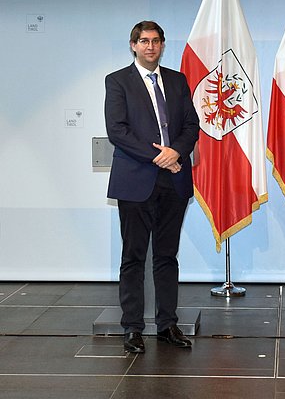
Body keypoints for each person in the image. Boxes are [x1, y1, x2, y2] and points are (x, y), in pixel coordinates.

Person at [105, 21, 199, 353]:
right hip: (136, 181)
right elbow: (117, 131)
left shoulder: (177, 80)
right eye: (143, 41)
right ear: (133, 45)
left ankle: (167, 325)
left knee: (166, 256)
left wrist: (177, 153)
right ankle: (132, 327)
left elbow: (191, 125)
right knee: (133, 257)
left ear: (162, 45)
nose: (150, 47)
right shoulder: (118, 81)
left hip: (174, 181)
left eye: (156, 41)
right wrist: (161, 157)